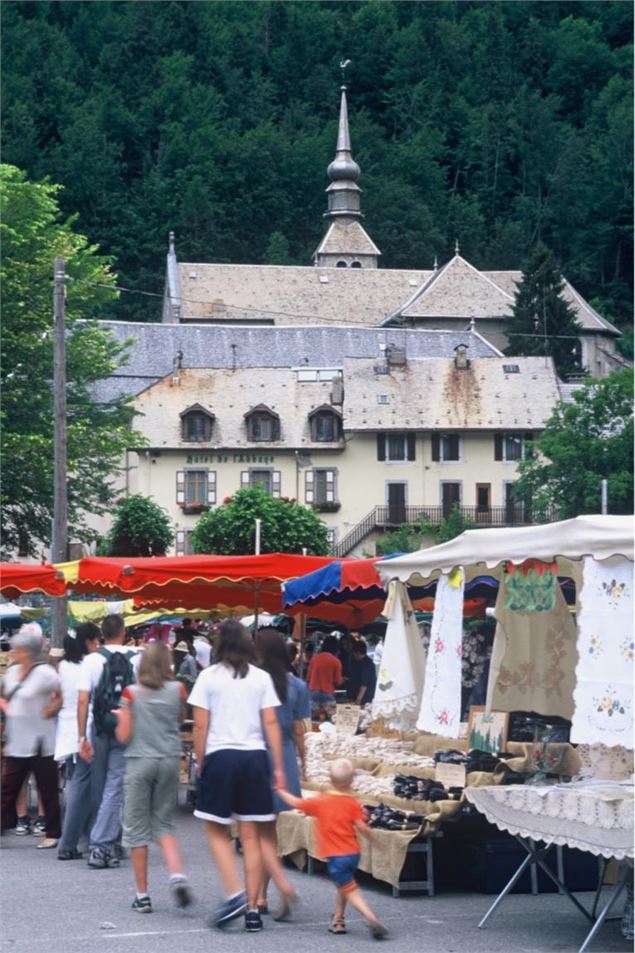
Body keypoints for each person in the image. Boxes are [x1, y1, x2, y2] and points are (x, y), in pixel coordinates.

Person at [189, 619, 298, 932]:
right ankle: (252, 909)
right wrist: (277, 766)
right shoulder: (262, 678)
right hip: (254, 757)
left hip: (220, 755)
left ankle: (233, 891)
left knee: (216, 830)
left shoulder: (208, 677)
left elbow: (199, 725)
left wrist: (201, 760)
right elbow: (273, 725)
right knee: (250, 835)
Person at [112, 642, 192, 914]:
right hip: (169, 759)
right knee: (163, 824)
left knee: (137, 829)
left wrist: (119, 716)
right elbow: (180, 720)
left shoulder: (131, 694)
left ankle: (142, 895)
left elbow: (123, 735)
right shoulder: (178, 690)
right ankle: (177, 875)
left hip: (140, 760)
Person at [277, 759, 387, 939]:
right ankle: (338, 919)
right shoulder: (352, 802)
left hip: (337, 856)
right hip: (353, 853)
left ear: (329, 779)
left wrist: (281, 791)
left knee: (350, 889)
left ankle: (370, 917)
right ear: (351, 782)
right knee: (344, 885)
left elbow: (296, 802)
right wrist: (375, 840)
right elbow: (361, 826)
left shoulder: (321, 801)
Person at [255, 629, 310, 915]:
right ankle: (265, 894)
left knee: (253, 832)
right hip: (284, 756)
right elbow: (299, 729)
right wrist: (302, 761)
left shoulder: (253, 682)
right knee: (271, 830)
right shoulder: (297, 685)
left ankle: (263, 894)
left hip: (255, 754)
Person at [77, 613, 137, 869]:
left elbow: (83, 700)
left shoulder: (91, 660)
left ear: (102, 635)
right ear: (123, 632)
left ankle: (104, 842)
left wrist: (81, 736)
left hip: (98, 729)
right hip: (127, 728)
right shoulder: (138, 656)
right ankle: (103, 844)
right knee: (115, 786)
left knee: (102, 786)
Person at [0, 624, 63, 850]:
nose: (13, 652)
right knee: (8, 789)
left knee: (47, 787)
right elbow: (4, 696)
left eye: (17, 649)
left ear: (27, 651)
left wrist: (51, 709)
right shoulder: (12, 673)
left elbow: (59, 697)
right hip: (18, 738)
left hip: (41, 740)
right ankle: (4, 825)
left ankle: (53, 831)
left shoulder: (46, 673)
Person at [307, 635, 343, 720]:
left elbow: (308, 678)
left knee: (312, 721)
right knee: (332, 719)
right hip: (328, 694)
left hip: (313, 693)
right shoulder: (336, 661)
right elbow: (338, 682)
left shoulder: (314, 658)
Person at [346, 641, 377, 707]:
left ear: (357, 653)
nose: (353, 655)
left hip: (365, 699)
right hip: (358, 696)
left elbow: (364, 684)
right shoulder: (358, 662)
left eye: (354, 653)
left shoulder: (367, 664)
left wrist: (358, 699)